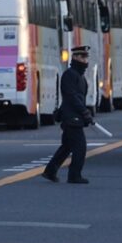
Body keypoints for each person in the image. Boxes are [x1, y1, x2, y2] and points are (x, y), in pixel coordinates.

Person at [43, 45, 94, 184]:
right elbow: (71, 96)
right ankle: (74, 175)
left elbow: (78, 97)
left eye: (86, 57)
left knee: (67, 146)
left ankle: (50, 171)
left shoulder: (79, 75)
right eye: (82, 57)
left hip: (74, 115)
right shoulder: (70, 74)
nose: (85, 60)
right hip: (72, 116)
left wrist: (85, 111)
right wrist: (84, 111)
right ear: (75, 57)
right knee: (80, 147)